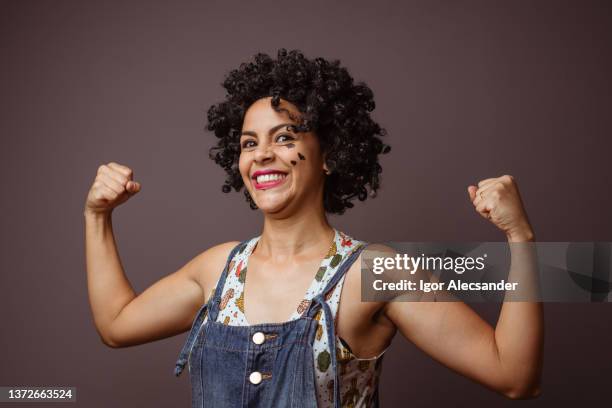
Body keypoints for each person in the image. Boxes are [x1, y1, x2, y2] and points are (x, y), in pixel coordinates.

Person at [84, 49, 543, 407]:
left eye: (284, 138)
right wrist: (97, 216)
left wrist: (520, 238)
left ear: (329, 155)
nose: (262, 154)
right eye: (249, 143)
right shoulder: (218, 269)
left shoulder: (373, 272)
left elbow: (514, 376)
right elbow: (116, 325)